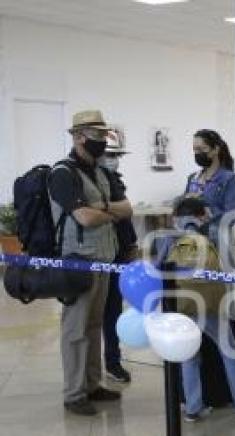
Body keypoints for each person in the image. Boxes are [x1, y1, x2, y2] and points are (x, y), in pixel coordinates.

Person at [48, 110, 133, 416]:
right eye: (96, 135)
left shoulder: (99, 172)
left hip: (104, 260)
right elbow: (84, 216)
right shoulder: (62, 173)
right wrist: (108, 212)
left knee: (95, 324)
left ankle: (93, 384)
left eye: (104, 135)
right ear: (79, 136)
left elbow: (127, 208)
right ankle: (73, 393)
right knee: (75, 329)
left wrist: (104, 208)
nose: (102, 141)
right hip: (78, 262)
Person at [167, 197, 235, 422]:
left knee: (188, 356)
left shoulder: (170, 239)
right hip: (209, 306)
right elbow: (226, 271)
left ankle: (192, 408)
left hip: (181, 305)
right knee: (230, 351)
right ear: (201, 215)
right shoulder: (213, 236)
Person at [99, 126, 138, 384]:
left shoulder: (115, 179)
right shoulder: (95, 181)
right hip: (103, 254)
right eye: (111, 155)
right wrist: (118, 210)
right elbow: (112, 214)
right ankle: (111, 362)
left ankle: (114, 359)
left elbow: (126, 216)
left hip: (121, 252)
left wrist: (132, 244)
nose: (115, 160)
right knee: (107, 312)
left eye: (117, 156)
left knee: (114, 309)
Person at [185, 129, 235, 249]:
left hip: (217, 241)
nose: (197, 153)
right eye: (195, 150)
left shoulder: (229, 179)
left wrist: (206, 209)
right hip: (192, 240)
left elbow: (232, 215)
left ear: (215, 149)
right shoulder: (193, 178)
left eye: (201, 149)